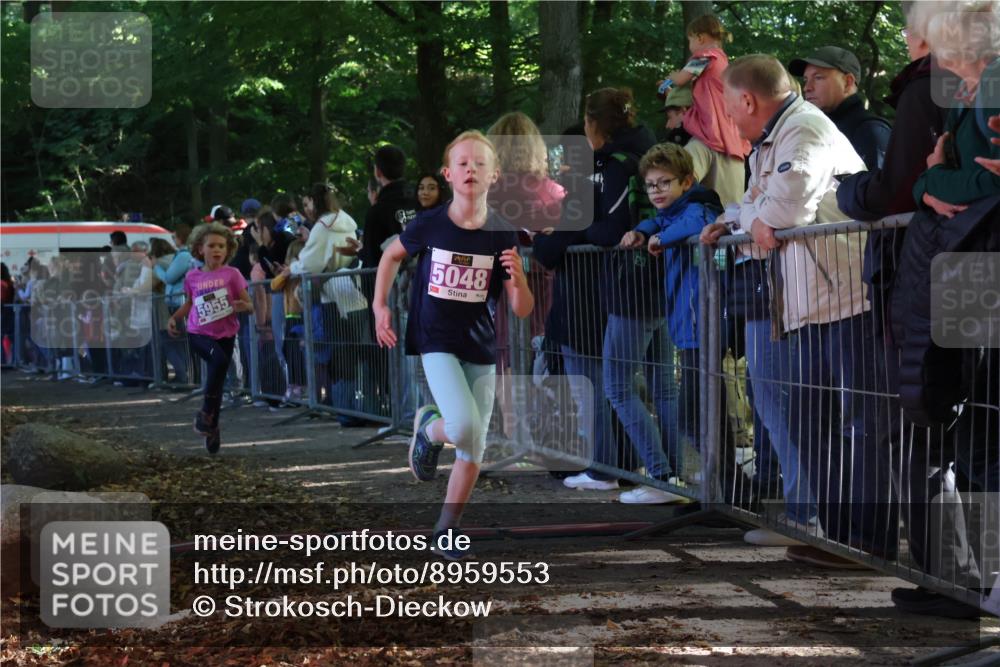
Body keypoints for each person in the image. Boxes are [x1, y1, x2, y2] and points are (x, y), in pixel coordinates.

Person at [704, 54, 892, 568]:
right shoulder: (772, 139)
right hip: (809, 300)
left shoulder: (804, 128)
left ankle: (868, 541)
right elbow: (754, 211)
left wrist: (755, 224)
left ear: (748, 101)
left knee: (860, 421)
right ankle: (835, 535)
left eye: (727, 105)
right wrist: (749, 225)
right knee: (812, 420)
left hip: (850, 296)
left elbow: (785, 212)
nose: (727, 117)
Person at [372, 130, 533, 560]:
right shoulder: (429, 223)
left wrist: (518, 281)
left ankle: (446, 529)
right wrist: (379, 307)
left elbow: (520, 309)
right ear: (448, 174)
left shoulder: (502, 231)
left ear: (494, 175)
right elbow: (389, 257)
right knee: (461, 426)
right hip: (435, 338)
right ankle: (428, 428)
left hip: (481, 344)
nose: (471, 170)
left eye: (480, 164)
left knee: (473, 446)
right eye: (462, 163)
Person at [561, 87, 685, 503]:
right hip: (662, 283)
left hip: (632, 289)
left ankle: (661, 476)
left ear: (596, 124)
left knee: (616, 385)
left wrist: (578, 228)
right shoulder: (654, 152)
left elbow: (611, 229)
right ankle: (674, 479)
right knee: (663, 386)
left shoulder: (617, 164)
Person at [619, 141, 726, 478]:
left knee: (695, 416)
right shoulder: (671, 214)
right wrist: (643, 230)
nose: (657, 191)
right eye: (651, 185)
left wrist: (659, 239)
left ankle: (727, 484)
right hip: (686, 324)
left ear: (687, 181)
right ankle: (723, 485)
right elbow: (662, 221)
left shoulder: (700, 205)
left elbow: (694, 223)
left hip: (701, 324)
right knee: (703, 414)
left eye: (665, 182)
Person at [167, 222, 253, 454]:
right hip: (199, 332)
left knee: (217, 374)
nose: (217, 250)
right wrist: (174, 318)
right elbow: (189, 303)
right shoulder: (192, 277)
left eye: (221, 246)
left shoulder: (232, 275)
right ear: (199, 249)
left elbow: (249, 305)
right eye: (212, 245)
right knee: (220, 362)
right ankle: (206, 413)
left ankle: (211, 424)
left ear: (228, 250)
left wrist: (241, 305)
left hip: (226, 333)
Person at [290, 182, 364, 421]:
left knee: (341, 357)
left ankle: (346, 412)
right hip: (355, 292)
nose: (305, 209)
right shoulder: (347, 222)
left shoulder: (322, 227)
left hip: (332, 296)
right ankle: (362, 408)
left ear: (314, 201)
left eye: (306, 203)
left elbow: (309, 263)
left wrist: (290, 269)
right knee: (360, 353)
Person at [657, 14, 749, 206]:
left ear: (700, 38)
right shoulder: (723, 62)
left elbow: (682, 79)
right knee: (730, 202)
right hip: (725, 135)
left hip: (713, 130)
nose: (690, 45)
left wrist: (672, 77)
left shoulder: (705, 56)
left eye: (689, 40)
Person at [789, 46, 891, 171]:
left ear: (848, 82)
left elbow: (881, 189)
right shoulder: (815, 127)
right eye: (806, 80)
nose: (807, 87)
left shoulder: (870, 131)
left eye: (818, 77)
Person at [361, 146, 418, 269]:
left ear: (378, 172)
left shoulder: (377, 212)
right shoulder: (420, 202)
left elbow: (372, 261)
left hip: (391, 283)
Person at [153, 223, 195, 384]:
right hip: (176, 301)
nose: (172, 240)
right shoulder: (181, 255)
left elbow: (169, 277)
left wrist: (156, 267)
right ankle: (185, 376)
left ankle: (185, 377)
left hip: (179, 302)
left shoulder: (184, 255)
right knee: (179, 341)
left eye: (174, 236)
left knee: (179, 341)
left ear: (180, 237)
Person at [270, 239, 308, 404]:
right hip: (290, 317)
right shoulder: (288, 274)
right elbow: (274, 285)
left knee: (299, 353)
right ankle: (293, 384)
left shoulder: (303, 272)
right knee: (288, 350)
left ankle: (301, 385)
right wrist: (283, 274)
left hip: (301, 316)